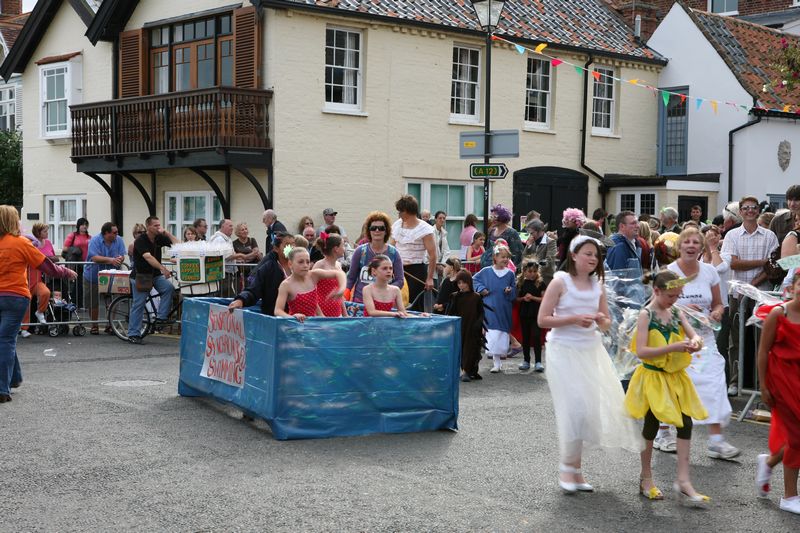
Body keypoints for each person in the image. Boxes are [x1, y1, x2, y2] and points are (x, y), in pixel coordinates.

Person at [538, 235, 642, 493]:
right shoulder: (560, 281)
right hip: (563, 350)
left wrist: (598, 319)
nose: (593, 258)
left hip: (590, 349)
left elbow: (606, 321)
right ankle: (566, 468)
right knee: (573, 409)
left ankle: (576, 469)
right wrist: (574, 319)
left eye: (596, 255)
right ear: (573, 255)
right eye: (587, 253)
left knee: (588, 411)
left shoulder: (598, 285)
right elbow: (543, 319)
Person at [625, 270, 709, 505]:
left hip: (675, 377)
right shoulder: (646, 315)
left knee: (686, 422)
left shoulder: (676, 311)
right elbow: (641, 351)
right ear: (656, 290)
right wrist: (673, 348)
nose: (674, 300)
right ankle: (646, 477)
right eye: (670, 295)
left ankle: (683, 480)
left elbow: (695, 337)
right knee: (651, 424)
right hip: (653, 377)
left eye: (677, 295)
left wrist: (695, 343)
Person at [667, 227, 740, 459]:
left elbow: (719, 303)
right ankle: (663, 432)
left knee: (715, 384)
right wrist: (684, 308)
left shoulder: (709, 271)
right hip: (678, 340)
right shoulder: (670, 272)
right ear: (679, 246)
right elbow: (660, 306)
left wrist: (717, 312)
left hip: (706, 339)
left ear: (700, 247)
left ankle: (716, 440)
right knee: (674, 388)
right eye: (686, 242)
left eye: (695, 242)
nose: (690, 245)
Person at [1, 205, 77, 402]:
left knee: (5, 339)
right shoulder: (21, 243)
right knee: (6, 340)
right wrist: (66, 272)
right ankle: (4, 387)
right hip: (15, 296)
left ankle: (12, 379)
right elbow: (47, 266)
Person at [721, 196, 779, 392]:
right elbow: (734, 263)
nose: (750, 211)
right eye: (745, 208)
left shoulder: (769, 236)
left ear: (758, 211)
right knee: (736, 340)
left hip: (762, 294)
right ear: (741, 211)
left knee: (762, 339)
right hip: (737, 295)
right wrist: (760, 262)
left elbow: (772, 266)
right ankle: (735, 381)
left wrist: (752, 285)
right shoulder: (732, 235)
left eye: (753, 208)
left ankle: (759, 382)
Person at [756, 270, 800, 515]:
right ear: (792, 287)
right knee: (796, 438)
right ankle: (790, 496)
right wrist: (763, 385)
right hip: (781, 382)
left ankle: (769, 462)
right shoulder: (778, 314)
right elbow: (763, 352)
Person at [127, 217, 178, 344]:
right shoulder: (141, 240)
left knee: (169, 288)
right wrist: (163, 269)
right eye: (155, 225)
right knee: (139, 304)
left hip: (154, 275)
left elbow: (178, 245)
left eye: (159, 225)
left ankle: (160, 317)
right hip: (142, 275)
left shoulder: (159, 238)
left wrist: (166, 233)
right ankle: (133, 334)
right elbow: (148, 257)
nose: (158, 227)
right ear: (148, 227)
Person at [473, 245, 516, 374]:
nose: (505, 259)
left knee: (502, 333)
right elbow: (474, 280)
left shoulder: (510, 273)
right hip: (490, 306)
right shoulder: (486, 271)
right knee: (492, 332)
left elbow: (514, 289)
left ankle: (499, 358)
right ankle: (496, 362)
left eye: (507, 257)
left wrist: (510, 290)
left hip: (504, 307)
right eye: (502, 257)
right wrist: (481, 289)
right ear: (495, 258)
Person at [229, 232, 295, 316]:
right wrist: (241, 300)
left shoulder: (299, 265)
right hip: (273, 318)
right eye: (287, 245)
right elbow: (254, 289)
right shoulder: (268, 268)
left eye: (293, 244)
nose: (292, 248)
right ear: (276, 248)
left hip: (300, 318)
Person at [346, 212, 404, 304]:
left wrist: (386, 290)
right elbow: (351, 278)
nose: (377, 230)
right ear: (369, 231)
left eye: (381, 228)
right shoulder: (360, 251)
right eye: (373, 228)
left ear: (386, 231)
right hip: (360, 303)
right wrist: (345, 293)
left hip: (384, 303)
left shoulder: (394, 253)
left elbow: (400, 280)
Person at [274, 247, 345, 322]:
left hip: (313, 325)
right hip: (297, 326)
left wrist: (341, 289)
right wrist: (292, 317)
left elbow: (339, 274)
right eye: (300, 262)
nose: (305, 265)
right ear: (290, 264)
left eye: (307, 262)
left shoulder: (313, 275)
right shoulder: (286, 285)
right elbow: (278, 310)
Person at [391, 195, 436, 311]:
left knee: (414, 306)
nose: (399, 214)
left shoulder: (425, 229)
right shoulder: (397, 225)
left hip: (416, 271)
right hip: (398, 270)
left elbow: (432, 255)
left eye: (400, 211)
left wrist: (430, 278)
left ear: (407, 211)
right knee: (396, 302)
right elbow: (391, 248)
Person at [84, 222, 126, 335]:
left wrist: (120, 258)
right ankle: (94, 325)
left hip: (112, 274)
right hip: (93, 275)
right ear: (106, 233)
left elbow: (122, 255)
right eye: (114, 232)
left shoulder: (119, 240)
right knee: (93, 302)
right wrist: (111, 260)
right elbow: (94, 257)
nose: (117, 234)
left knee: (113, 301)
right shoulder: (95, 240)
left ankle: (110, 325)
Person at [447, 270, 484, 381]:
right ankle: (464, 371)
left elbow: (481, 312)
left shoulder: (476, 297)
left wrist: (478, 324)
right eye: (459, 283)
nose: (461, 285)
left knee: (472, 348)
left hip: (472, 327)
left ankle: (469, 371)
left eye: (463, 282)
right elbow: (451, 312)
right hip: (460, 327)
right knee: (461, 348)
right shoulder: (455, 296)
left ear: (469, 282)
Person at [516, 261, 546, 372]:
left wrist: (533, 297)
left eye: (534, 271)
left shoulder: (540, 283)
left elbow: (544, 299)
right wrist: (523, 298)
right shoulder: (520, 283)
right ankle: (526, 360)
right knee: (526, 338)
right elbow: (516, 298)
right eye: (529, 271)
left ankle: (538, 361)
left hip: (536, 314)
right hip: (524, 314)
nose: (532, 274)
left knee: (536, 336)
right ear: (524, 271)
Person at [209, 219, 248, 297]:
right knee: (227, 296)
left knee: (227, 295)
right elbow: (226, 256)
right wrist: (240, 255)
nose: (232, 228)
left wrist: (236, 259)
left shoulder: (225, 239)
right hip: (222, 274)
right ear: (223, 226)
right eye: (230, 226)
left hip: (225, 273)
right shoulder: (220, 239)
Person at [313, 232, 348, 317]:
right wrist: (320, 314)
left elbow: (340, 294)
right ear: (336, 249)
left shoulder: (338, 265)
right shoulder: (319, 265)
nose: (344, 248)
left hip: (337, 312)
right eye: (343, 245)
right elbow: (311, 292)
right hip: (321, 313)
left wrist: (345, 314)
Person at [522, 220, 557, 285]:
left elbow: (549, 260)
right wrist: (528, 246)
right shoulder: (532, 241)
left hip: (545, 279)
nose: (530, 236)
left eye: (532, 233)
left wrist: (535, 271)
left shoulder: (551, 242)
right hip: (531, 278)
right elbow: (524, 258)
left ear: (540, 231)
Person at [233, 222, 262, 293]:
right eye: (242, 230)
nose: (245, 231)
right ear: (238, 232)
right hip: (240, 273)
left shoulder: (252, 240)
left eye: (246, 229)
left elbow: (256, 253)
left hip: (252, 271)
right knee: (241, 291)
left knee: (252, 289)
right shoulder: (234, 243)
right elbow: (236, 258)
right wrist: (250, 255)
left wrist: (244, 257)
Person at [430, 211, 451, 283]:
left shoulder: (444, 233)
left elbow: (446, 251)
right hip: (431, 265)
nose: (442, 220)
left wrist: (442, 264)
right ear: (435, 219)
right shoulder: (430, 232)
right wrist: (436, 264)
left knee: (439, 288)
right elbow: (428, 250)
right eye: (440, 218)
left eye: (444, 218)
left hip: (441, 266)